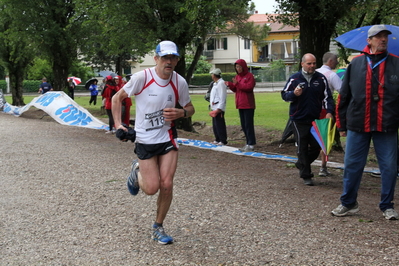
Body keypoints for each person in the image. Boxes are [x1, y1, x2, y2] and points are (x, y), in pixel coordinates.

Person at [111, 40, 195, 244]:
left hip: (167, 137)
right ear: (156, 58)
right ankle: (137, 170)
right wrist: (118, 125)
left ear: (177, 60)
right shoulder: (142, 78)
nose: (169, 61)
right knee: (151, 188)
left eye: (173, 58)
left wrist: (181, 112)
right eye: (165, 57)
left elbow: (190, 108)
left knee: (166, 184)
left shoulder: (179, 82)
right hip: (145, 139)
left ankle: (158, 226)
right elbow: (117, 98)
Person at [331, 25, 399, 220]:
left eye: (385, 36)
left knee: (389, 167)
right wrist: (341, 124)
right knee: (352, 165)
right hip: (358, 124)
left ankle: (387, 206)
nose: (383, 40)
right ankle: (348, 203)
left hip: (386, 125)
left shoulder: (396, 64)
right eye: (378, 37)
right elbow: (344, 96)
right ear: (368, 41)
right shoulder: (356, 64)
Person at [281, 53, 335, 186]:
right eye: (309, 63)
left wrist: (329, 112)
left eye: (314, 63)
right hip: (298, 118)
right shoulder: (295, 79)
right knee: (302, 146)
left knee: (317, 146)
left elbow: (328, 97)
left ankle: (301, 163)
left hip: (314, 119)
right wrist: (294, 94)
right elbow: (284, 95)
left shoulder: (321, 78)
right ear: (302, 64)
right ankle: (307, 175)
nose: (312, 66)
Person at [316, 52, 343, 177]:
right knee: (326, 138)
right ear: (331, 61)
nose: (337, 62)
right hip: (325, 110)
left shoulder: (315, 72)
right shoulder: (332, 75)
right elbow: (342, 91)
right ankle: (323, 166)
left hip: (311, 110)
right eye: (336, 60)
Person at [225, 59, 256, 152]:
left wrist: (237, 84)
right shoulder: (237, 77)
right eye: (236, 67)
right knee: (243, 125)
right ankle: (247, 142)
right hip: (240, 104)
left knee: (248, 124)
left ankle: (251, 143)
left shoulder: (249, 76)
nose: (238, 69)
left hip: (248, 104)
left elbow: (248, 88)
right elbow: (236, 89)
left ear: (243, 67)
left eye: (239, 67)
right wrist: (231, 85)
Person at [209, 68, 228, 145]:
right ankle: (217, 138)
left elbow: (222, 96)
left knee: (220, 124)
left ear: (214, 75)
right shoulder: (215, 83)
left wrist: (219, 108)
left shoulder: (221, 83)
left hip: (218, 107)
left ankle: (223, 140)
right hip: (214, 106)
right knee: (215, 124)